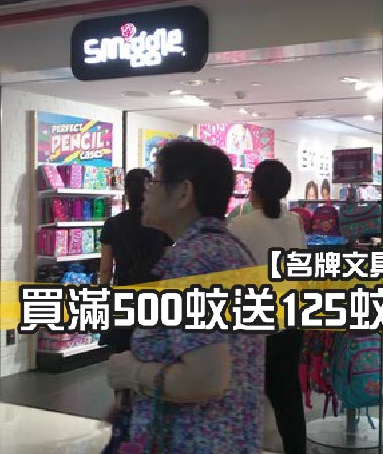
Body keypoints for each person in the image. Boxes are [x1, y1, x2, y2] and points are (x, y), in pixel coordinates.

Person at [106, 140, 264, 454]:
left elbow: (205, 378)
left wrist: (133, 373)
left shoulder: (193, 263)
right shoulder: (230, 250)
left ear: (183, 193)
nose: (146, 191)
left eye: (154, 181)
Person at [228, 159, 307, 454]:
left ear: (254, 187)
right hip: (290, 322)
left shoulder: (239, 225)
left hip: (254, 327)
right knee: (289, 402)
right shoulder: (294, 222)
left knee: (246, 402)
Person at [98, 168, 171, 454]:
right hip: (153, 301)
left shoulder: (113, 225)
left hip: (122, 299)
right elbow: (168, 266)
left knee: (122, 361)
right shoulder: (160, 226)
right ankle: (146, 431)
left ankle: (122, 426)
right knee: (149, 362)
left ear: (126, 192)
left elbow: (106, 269)